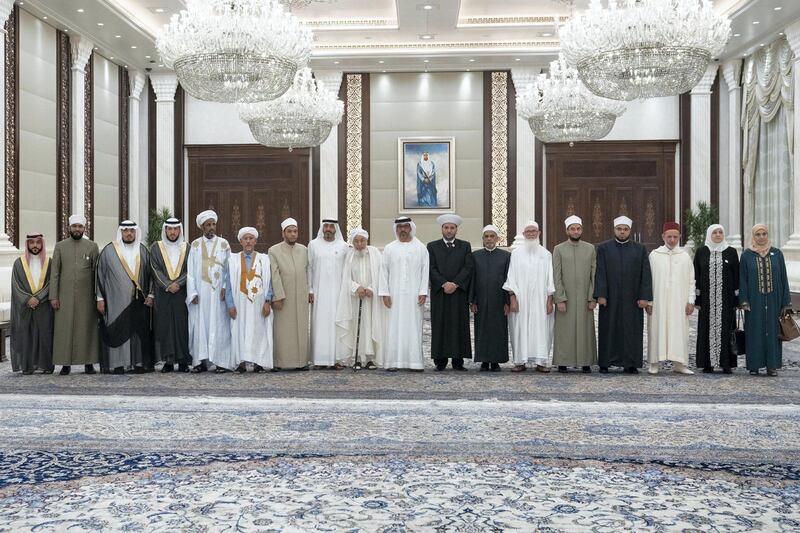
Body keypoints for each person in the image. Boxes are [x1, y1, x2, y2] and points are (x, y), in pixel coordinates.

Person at [594, 216, 652, 374]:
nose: (622, 232)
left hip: (632, 298)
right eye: (619, 229)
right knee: (608, 328)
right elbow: (600, 272)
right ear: (614, 230)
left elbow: (645, 274)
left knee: (631, 329)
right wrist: (601, 294)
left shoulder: (639, 249)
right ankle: (606, 362)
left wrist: (644, 297)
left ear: (630, 231)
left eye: (625, 229)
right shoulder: (604, 248)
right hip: (610, 297)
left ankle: (630, 363)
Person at [96, 221, 154, 374]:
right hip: (115, 301)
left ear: (136, 232)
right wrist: (99, 298)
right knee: (117, 329)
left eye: (132, 231)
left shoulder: (143, 250)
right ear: (121, 232)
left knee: (137, 331)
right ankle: (118, 363)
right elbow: (99, 276)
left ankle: (138, 362)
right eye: (125, 230)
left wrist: (151, 294)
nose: (129, 233)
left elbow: (151, 276)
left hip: (139, 302)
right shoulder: (108, 250)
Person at [49, 214, 100, 375]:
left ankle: (89, 363)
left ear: (84, 228)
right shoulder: (60, 246)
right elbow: (55, 272)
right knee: (64, 329)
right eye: (74, 226)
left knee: (87, 328)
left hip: (87, 296)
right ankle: (65, 363)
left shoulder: (92, 246)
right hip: (64, 296)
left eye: (80, 226)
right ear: (69, 227)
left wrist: (98, 296)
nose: (77, 229)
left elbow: (96, 273)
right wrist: (53, 296)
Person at [739, 224, 791, 376]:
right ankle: (754, 365)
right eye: (758, 234)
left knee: (773, 332)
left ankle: (772, 365)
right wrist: (744, 300)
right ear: (753, 236)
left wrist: (785, 302)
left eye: (764, 234)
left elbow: (783, 278)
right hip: (754, 301)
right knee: (754, 331)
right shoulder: (747, 255)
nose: (761, 237)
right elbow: (743, 279)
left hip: (774, 301)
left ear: (768, 235)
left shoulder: (777, 253)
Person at [504, 221, 555, 372]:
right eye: (528, 231)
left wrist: (549, 300)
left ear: (539, 233)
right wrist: (512, 298)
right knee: (519, 328)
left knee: (542, 329)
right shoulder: (516, 254)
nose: (531, 234)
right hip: (521, 300)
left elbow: (550, 279)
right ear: (524, 234)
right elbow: (511, 277)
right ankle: (520, 361)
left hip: (541, 300)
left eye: (534, 231)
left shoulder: (546, 254)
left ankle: (541, 361)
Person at [379, 216, 429, 371]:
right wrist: (385, 293)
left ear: (411, 228)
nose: (402, 230)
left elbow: (424, 270)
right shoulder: (389, 248)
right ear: (396, 229)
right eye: (399, 227)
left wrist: (423, 291)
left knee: (413, 326)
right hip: (394, 295)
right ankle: (393, 362)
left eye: (405, 227)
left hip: (414, 295)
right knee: (394, 327)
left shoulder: (420, 247)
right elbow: (383, 272)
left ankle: (415, 363)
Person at [186, 210, 232, 373]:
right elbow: (190, 271)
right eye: (208, 225)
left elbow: (229, 268)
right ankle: (200, 362)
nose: (211, 227)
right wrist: (192, 293)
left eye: (213, 224)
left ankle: (221, 362)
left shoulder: (224, 244)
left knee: (220, 325)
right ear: (202, 227)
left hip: (219, 293)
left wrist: (226, 287)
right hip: (201, 294)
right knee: (201, 326)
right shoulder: (195, 245)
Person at [646, 222, 695, 375]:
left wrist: (690, 300)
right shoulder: (654, 255)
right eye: (669, 237)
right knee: (656, 330)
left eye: (675, 237)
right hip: (658, 301)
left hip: (679, 302)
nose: (672, 240)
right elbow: (648, 280)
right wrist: (649, 301)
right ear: (663, 237)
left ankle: (679, 364)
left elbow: (691, 280)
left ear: (680, 237)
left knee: (679, 331)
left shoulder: (685, 256)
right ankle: (654, 363)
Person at [428, 214, 474, 371]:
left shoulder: (465, 246)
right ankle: (440, 361)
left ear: (456, 229)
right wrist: (443, 283)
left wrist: (455, 283)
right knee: (440, 325)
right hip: (440, 293)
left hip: (458, 293)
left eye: (452, 228)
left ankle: (457, 361)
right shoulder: (432, 246)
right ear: (442, 229)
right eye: (446, 227)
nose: (449, 230)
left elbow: (468, 268)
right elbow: (431, 268)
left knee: (458, 325)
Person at [552, 216, 597, 373]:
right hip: (566, 298)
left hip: (585, 298)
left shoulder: (590, 248)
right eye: (572, 229)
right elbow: (556, 275)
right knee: (565, 331)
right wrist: (560, 298)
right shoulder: (558, 249)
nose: (575, 231)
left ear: (582, 230)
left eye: (578, 228)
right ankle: (563, 361)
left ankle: (586, 362)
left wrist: (592, 298)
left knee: (585, 330)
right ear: (567, 231)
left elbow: (594, 274)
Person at [335, 228, 384, 369]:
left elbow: (381, 274)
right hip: (355, 299)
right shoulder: (349, 256)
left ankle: (369, 358)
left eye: (362, 240)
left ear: (367, 241)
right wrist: (356, 288)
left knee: (370, 325)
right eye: (356, 241)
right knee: (356, 325)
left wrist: (371, 288)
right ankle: (356, 358)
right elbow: (345, 277)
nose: (359, 244)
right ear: (352, 242)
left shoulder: (375, 253)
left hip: (370, 298)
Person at [226, 227, 273, 373]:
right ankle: (241, 363)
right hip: (239, 304)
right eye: (245, 238)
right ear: (240, 241)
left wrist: (267, 301)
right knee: (240, 331)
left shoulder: (263, 259)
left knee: (258, 331)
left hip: (258, 303)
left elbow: (269, 282)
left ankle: (258, 361)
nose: (248, 241)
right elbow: (227, 284)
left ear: (255, 241)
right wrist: (230, 305)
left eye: (251, 238)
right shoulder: (232, 259)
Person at [694, 224, 739, 374]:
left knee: (726, 329)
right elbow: (697, 276)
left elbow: (736, 276)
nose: (718, 235)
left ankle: (726, 364)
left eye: (720, 232)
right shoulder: (701, 252)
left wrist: (737, 299)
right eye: (715, 232)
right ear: (709, 235)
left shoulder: (731, 252)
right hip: (706, 301)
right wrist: (697, 299)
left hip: (726, 301)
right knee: (706, 328)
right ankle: (707, 363)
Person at [268, 217, 311, 371]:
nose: (293, 234)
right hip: (283, 298)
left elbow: (309, 272)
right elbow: (274, 275)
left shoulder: (304, 250)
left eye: (295, 231)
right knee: (283, 330)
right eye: (290, 232)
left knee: (301, 328)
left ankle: (301, 362)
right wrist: (278, 296)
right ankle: (281, 362)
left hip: (301, 296)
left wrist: (310, 291)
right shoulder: (274, 251)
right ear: (283, 233)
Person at [150, 217, 191, 373]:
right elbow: (154, 269)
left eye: (175, 229)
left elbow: (191, 269)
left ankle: (183, 361)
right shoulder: (156, 247)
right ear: (165, 230)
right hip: (163, 293)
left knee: (182, 326)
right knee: (165, 326)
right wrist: (167, 284)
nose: (172, 232)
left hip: (182, 293)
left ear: (180, 230)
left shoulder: (187, 247)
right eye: (169, 229)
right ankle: (168, 361)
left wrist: (178, 283)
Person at [10, 233, 54, 374]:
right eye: (32, 243)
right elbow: (15, 285)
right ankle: (27, 366)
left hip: (44, 306)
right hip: (25, 307)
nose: (35, 246)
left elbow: (51, 283)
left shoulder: (49, 262)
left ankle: (46, 365)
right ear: (27, 244)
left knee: (45, 336)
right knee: (26, 336)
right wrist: (28, 299)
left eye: (38, 242)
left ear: (42, 244)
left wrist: (39, 298)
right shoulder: (18, 263)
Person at [308, 218, 349, 369]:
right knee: (319, 324)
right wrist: (310, 289)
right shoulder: (313, 245)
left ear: (336, 229)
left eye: (332, 226)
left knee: (336, 323)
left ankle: (337, 359)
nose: (328, 228)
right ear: (322, 228)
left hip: (338, 293)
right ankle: (319, 360)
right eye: (326, 226)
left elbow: (347, 270)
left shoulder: (344, 246)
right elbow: (310, 268)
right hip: (319, 292)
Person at [469, 224, 511, 371]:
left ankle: (496, 361)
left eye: (492, 236)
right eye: (486, 236)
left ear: (497, 238)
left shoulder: (506, 256)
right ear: (482, 239)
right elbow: (472, 279)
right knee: (481, 329)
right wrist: (472, 300)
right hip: (480, 299)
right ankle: (484, 361)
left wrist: (507, 302)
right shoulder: (475, 256)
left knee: (498, 330)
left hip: (499, 300)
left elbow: (508, 280)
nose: (489, 239)